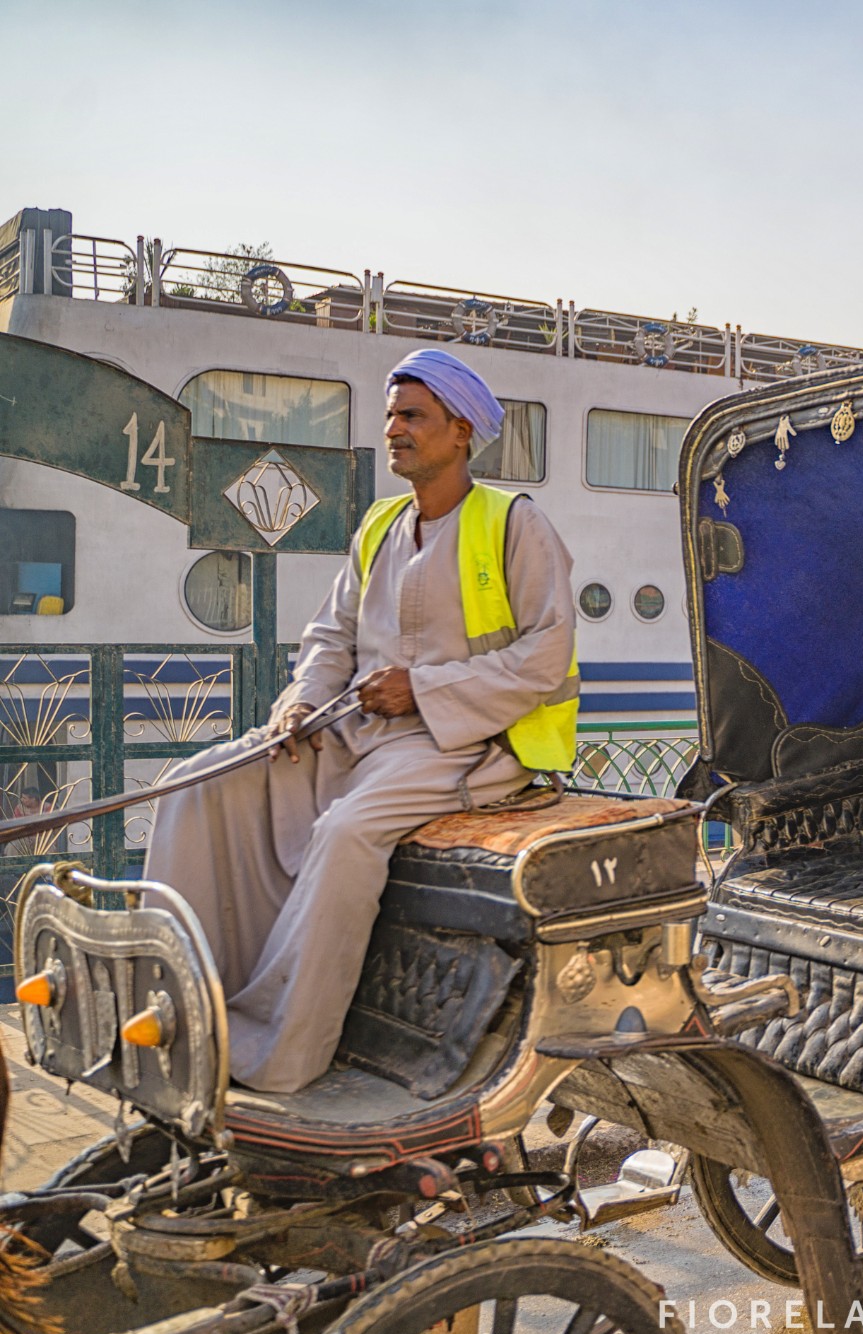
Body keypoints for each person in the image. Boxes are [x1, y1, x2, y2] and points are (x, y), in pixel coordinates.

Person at [144, 349, 578, 1094]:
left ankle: (278, 1049)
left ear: (460, 431)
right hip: (351, 732)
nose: (395, 430)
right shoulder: (379, 524)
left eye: (412, 416)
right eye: (392, 416)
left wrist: (424, 689)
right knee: (195, 782)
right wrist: (299, 706)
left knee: (346, 831)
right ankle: (178, 1004)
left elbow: (547, 656)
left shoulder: (515, 523)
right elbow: (330, 637)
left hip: (461, 745)